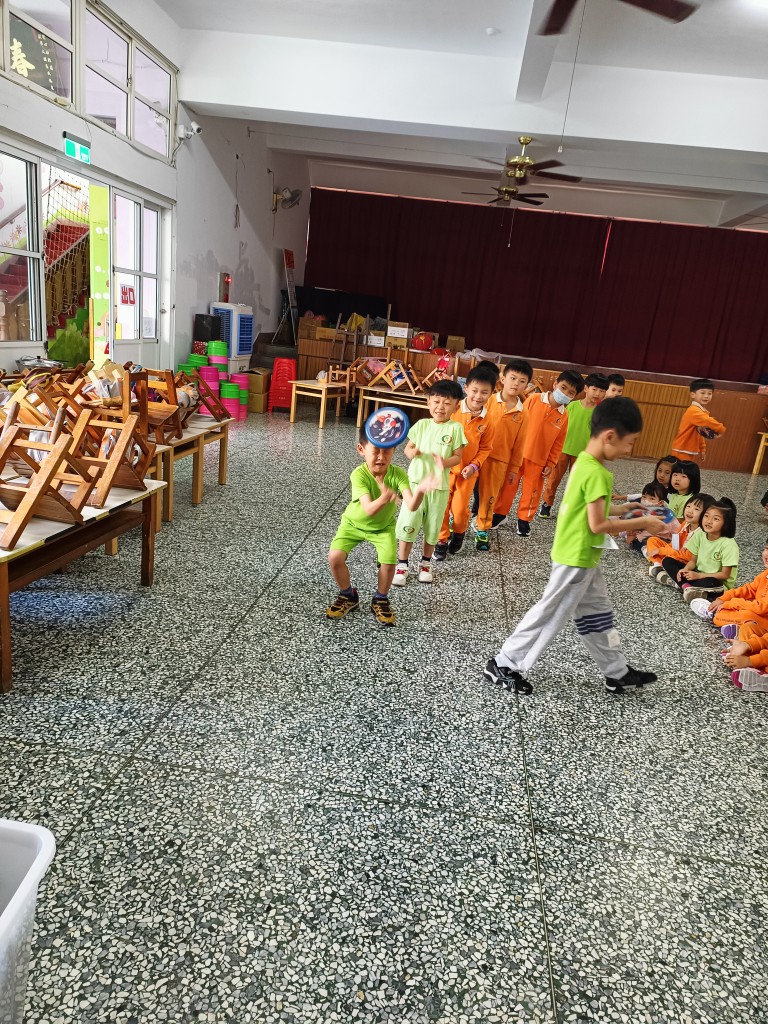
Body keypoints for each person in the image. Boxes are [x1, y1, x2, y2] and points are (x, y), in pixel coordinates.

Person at [482, 396, 664, 696]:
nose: (629, 450)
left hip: (582, 556)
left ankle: (616, 672)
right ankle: (504, 663)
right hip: (575, 558)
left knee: (598, 615)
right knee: (549, 613)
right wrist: (644, 523)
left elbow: (591, 509)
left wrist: (627, 509)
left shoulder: (584, 462)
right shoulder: (598, 473)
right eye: (629, 442)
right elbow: (598, 524)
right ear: (610, 436)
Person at [327, 427, 440, 624]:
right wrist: (385, 497)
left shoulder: (398, 474)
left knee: (389, 564)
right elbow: (369, 509)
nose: (381, 456)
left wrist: (421, 489)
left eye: (387, 451)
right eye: (375, 451)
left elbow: (412, 505)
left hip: (383, 528)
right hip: (352, 524)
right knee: (334, 558)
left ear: (394, 450)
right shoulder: (359, 475)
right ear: (361, 450)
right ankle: (348, 595)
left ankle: (380, 598)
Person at [493, 368, 583, 537]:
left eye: (571, 393)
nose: (565, 394)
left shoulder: (564, 416)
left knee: (532, 492)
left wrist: (551, 463)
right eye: (563, 388)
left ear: (574, 396)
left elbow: (558, 443)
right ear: (555, 384)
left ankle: (524, 519)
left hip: (539, 461)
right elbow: (518, 422)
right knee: (508, 486)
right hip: (518, 455)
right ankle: (499, 514)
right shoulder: (534, 399)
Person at [394, 379, 466, 585]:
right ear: (428, 402)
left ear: (456, 406)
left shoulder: (456, 428)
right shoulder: (422, 425)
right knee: (408, 524)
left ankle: (425, 563)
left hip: (438, 487)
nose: (440, 407)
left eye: (447, 403)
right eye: (436, 401)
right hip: (415, 484)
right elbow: (408, 449)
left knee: (433, 528)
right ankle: (402, 564)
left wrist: (444, 462)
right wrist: (412, 452)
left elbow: (458, 457)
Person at [434, 365, 497, 560]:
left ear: (491, 394)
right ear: (466, 388)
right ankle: (441, 540)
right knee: (441, 507)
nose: (478, 396)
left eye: (484, 392)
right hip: (444, 470)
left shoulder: (488, 420)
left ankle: (459, 534)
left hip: (467, 474)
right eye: (475, 390)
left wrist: (474, 465)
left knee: (460, 510)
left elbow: (486, 448)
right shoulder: (452, 409)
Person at [474, 358, 533, 550]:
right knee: (464, 489)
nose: (516, 384)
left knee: (489, 495)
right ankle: (455, 522)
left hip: (499, 461)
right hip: (475, 455)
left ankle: (482, 528)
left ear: (527, 385)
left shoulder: (523, 413)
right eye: (513, 378)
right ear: (503, 378)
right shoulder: (488, 400)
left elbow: (520, 444)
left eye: (522, 381)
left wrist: (514, 468)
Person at [539, 372, 608, 518]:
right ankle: (546, 504)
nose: (598, 394)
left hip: (583, 454)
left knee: (576, 484)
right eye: (595, 389)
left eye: (602, 391)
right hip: (563, 450)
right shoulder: (572, 406)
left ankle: (570, 508)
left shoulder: (601, 413)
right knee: (553, 480)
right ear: (586, 388)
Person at [661, 496, 738, 606]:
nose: (709, 521)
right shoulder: (700, 534)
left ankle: (681, 584)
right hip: (697, 573)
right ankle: (686, 587)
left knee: (711, 582)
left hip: (717, 582)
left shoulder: (729, 544)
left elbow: (725, 575)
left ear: (726, 523)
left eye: (716, 519)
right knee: (667, 561)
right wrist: (685, 570)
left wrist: (698, 576)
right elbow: (693, 561)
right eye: (706, 516)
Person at [690, 539, 768, 631]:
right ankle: (736, 629)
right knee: (741, 610)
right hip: (760, 615)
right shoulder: (765, 574)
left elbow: (760, 607)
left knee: (746, 615)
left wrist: (728, 604)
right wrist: (723, 599)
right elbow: (749, 589)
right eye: (767, 548)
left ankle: (712, 614)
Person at [648, 492, 713, 585]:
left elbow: (688, 557)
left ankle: (661, 566)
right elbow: (675, 542)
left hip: (688, 563)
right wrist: (665, 550)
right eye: (688, 506)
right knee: (653, 540)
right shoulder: (685, 523)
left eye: (696, 509)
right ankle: (658, 565)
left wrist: (662, 551)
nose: (690, 511)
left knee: (668, 559)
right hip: (677, 552)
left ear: (706, 515)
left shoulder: (701, 533)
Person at [670, 377, 726, 463]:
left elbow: (699, 433)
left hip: (686, 449)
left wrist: (702, 449)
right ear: (693, 395)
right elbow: (708, 421)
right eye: (702, 393)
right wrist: (721, 429)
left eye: (709, 393)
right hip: (682, 449)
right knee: (680, 470)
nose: (706, 396)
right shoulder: (694, 411)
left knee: (685, 471)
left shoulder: (701, 411)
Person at [623, 480, 677, 554]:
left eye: (652, 499)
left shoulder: (667, 515)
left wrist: (676, 547)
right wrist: (630, 534)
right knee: (637, 543)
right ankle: (647, 550)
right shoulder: (639, 513)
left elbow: (677, 531)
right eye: (644, 497)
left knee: (651, 542)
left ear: (660, 503)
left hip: (661, 540)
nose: (646, 501)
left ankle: (650, 551)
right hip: (642, 539)